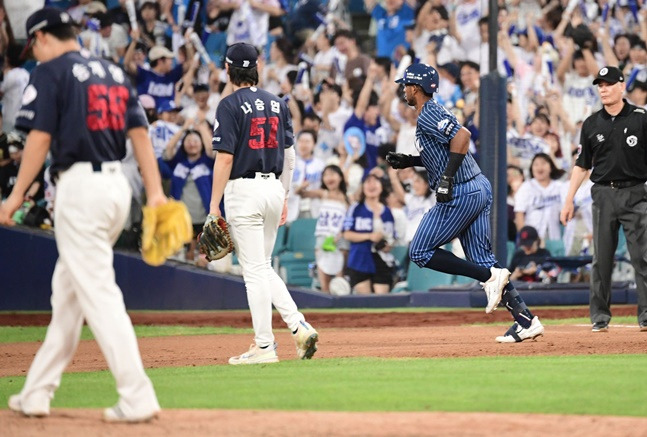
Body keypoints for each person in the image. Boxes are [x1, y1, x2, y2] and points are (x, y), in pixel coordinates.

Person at [0, 8, 166, 421]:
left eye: (33, 47)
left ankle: (137, 394)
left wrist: (15, 195)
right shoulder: (110, 70)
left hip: (80, 189)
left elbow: (38, 137)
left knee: (99, 293)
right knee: (69, 298)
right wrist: (157, 193)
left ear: (40, 39)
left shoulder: (51, 71)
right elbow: (140, 134)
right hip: (117, 189)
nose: (34, 55)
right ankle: (37, 392)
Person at [386, 63, 544, 343]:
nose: (404, 89)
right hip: (475, 187)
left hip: (462, 190)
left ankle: (489, 276)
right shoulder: (429, 113)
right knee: (484, 260)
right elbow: (447, 149)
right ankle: (526, 320)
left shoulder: (428, 113)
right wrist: (411, 161)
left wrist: (446, 179)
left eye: (406, 84)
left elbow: (463, 137)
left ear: (416, 88)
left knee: (420, 250)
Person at [209, 42, 319, 365]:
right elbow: (289, 155)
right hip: (272, 187)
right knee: (263, 266)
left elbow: (225, 159)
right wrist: (283, 195)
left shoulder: (228, 105)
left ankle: (264, 346)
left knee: (253, 271)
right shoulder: (277, 103)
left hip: (244, 190)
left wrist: (214, 205)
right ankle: (298, 326)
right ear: (256, 68)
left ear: (228, 69)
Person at [560, 66, 647, 333]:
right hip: (603, 194)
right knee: (602, 259)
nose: (604, 89)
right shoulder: (591, 123)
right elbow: (582, 164)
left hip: (635, 192)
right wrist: (569, 199)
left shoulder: (641, 118)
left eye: (609, 84)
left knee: (642, 257)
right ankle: (599, 316)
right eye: (600, 85)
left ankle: (646, 316)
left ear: (622, 86)